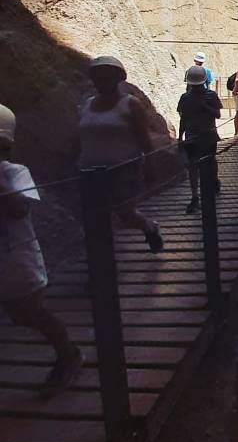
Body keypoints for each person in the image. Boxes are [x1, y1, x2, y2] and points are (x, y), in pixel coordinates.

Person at [0, 104, 83, 395]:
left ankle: (68, 353)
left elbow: (20, 208)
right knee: (19, 313)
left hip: (17, 254)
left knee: (32, 311)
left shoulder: (14, 172)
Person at [78, 56, 163, 252]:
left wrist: (150, 166)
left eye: (107, 76)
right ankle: (101, 268)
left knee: (125, 213)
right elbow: (81, 137)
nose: (102, 80)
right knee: (95, 217)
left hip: (122, 170)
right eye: (98, 76)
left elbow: (144, 139)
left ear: (117, 78)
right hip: (89, 171)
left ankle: (149, 227)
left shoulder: (130, 104)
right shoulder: (88, 104)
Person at [178, 66, 222, 213]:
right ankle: (196, 196)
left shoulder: (209, 96)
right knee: (193, 166)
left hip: (206, 136)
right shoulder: (186, 98)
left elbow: (217, 114)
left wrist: (203, 106)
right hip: (197, 137)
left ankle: (212, 182)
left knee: (205, 163)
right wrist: (180, 137)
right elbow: (183, 118)